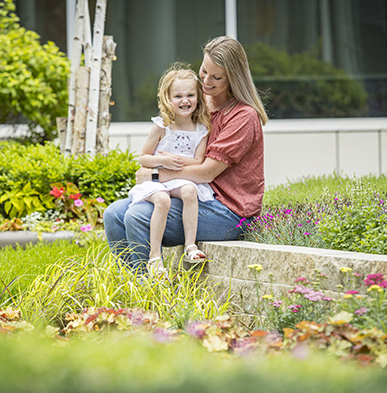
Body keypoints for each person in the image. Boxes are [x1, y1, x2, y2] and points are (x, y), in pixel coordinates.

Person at [104, 36, 268, 272]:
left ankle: (148, 288)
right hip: (192, 194)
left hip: (228, 211)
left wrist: (155, 175)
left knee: (138, 216)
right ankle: (130, 286)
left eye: (217, 77)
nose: (206, 81)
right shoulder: (200, 103)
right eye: (204, 71)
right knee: (113, 214)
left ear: (234, 78)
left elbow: (208, 171)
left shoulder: (243, 116)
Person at [127, 65, 213, 276]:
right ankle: (155, 255)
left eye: (190, 95)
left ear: (198, 97)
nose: (185, 100)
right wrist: (163, 160)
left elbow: (199, 160)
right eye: (178, 96)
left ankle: (190, 246)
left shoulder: (201, 129)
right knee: (163, 200)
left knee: (190, 191)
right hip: (157, 180)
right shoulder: (162, 126)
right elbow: (143, 158)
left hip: (178, 179)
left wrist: (178, 161)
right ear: (167, 98)